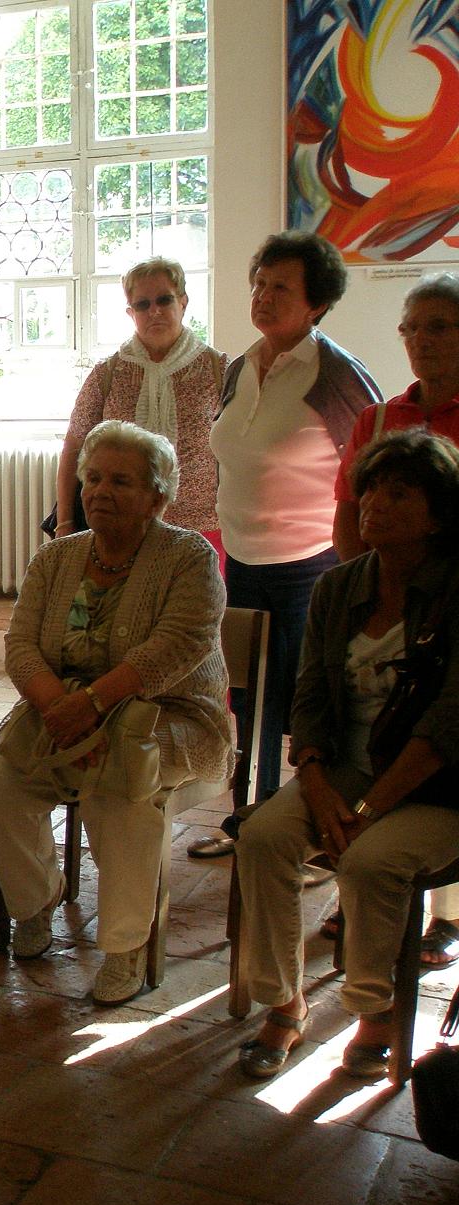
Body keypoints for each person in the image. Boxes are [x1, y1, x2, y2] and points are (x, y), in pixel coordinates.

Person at [0, 421, 233, 1005]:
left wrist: (94, 705)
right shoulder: (58, 557)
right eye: (92, 477)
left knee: (117, 786)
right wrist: (58, 706)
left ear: (159, 496)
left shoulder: (189, 557)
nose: (99, 491)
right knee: (1, 780)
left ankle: (125, 947)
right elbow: (20, 644)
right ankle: (38, 900)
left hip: (171, 714)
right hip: (63, 709)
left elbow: (173, 648)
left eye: (121, 480)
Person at [234, 430, 459, 1082]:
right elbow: (308, 698)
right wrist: (318, 783)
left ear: (439, 514)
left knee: (367, 862)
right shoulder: (338, 587)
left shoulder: (455, 593)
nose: (374, 506)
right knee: (264, 836)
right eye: (369, 492)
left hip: (434, 783)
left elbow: (449, 723)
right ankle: (284, 1002)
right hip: (344, 770)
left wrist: (365, 807)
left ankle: (373, 1013)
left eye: (398, 494)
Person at [210, 231, 380, 808]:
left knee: (308, 708)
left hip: (312, 568)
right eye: (259, 283)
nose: (263, 295)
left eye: (281, 286)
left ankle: (312, 828)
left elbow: (375, 463)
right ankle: (248, 818)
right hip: (243, 562)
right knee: (249, 700)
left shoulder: (337, 376)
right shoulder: (239, 369)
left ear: (317, 303)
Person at [321, 275, 459, 962]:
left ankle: (442, 914)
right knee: (370, 726)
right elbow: (350, 505)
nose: (423, 341)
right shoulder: (379, 417)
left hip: (454, 607)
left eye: (439, 327)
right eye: (413, 328)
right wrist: (367, 580)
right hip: (383, 595)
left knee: (436, 737)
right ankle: (362, 901)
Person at [54, 257, 224, 549]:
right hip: (121, 526)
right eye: (143, 304)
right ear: (131, 312)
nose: (155, 311)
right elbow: (74, 446)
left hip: (203, 526)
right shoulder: (107, 374)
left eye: (164, 300)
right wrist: (66, 521)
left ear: (183, 302)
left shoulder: (219, 369)